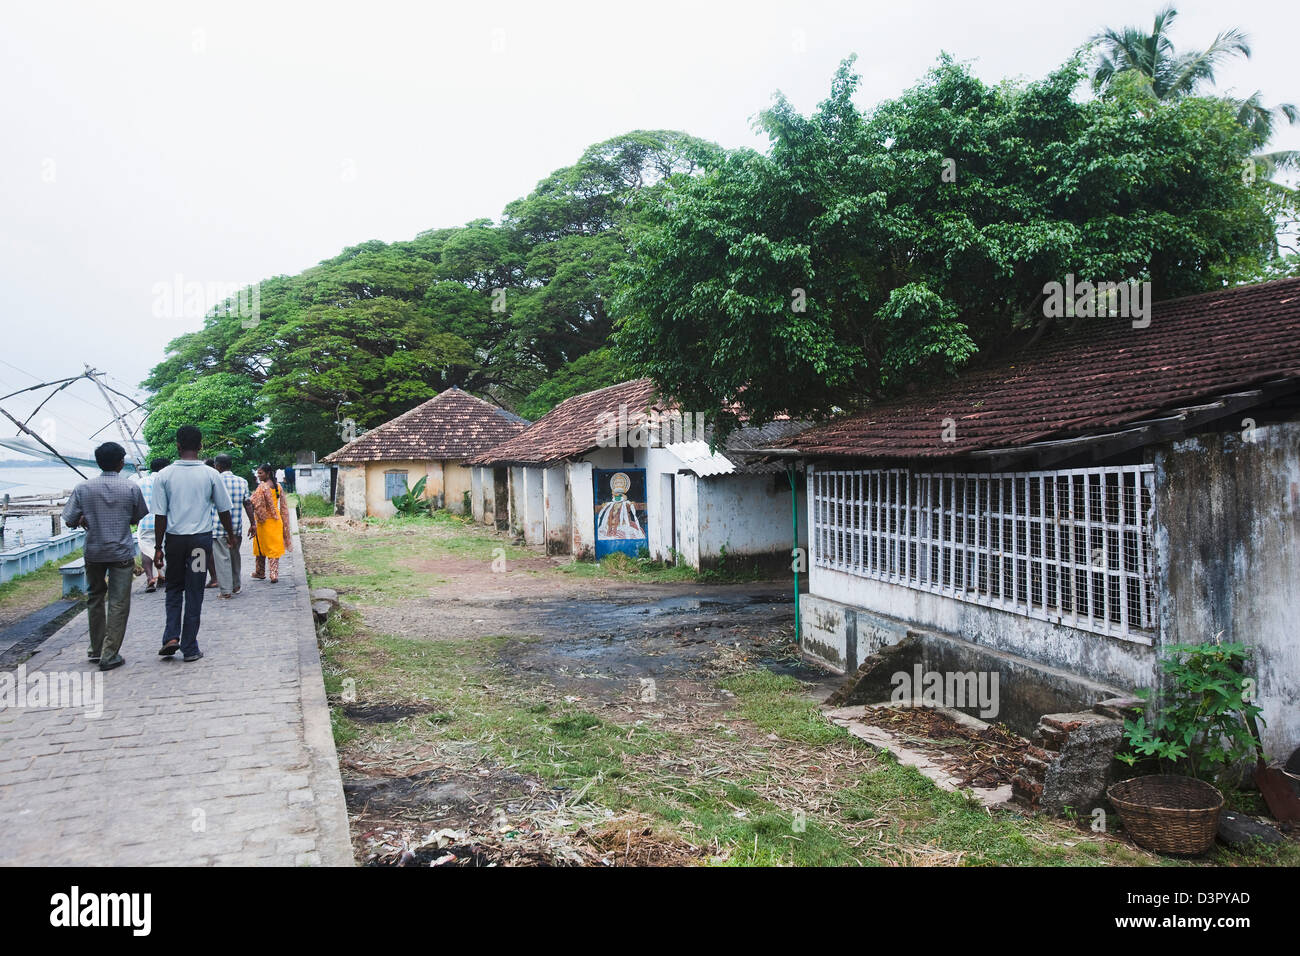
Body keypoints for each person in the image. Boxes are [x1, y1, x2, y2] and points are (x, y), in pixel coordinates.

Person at [152, 426, 237, 663]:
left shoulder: (164, 475)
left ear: (177, 445)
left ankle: (170, 637)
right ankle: (189, 646)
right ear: (200, 446)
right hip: (200, 542)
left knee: (173, 588)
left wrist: (158, 548)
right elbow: (224, 509)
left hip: (175, 542)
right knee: (195, 591)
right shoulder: (211, 475)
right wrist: (230, 534)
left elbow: (160, 515)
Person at [61, 441, 148, 671]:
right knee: (119, 603)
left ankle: (96, 648)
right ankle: (110, 654)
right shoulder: (131, 488)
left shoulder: (83, 488)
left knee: (95, 598)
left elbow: (69, 519)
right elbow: (136, 517)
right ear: (121, 463)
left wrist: (84, 518)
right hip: (120, 551)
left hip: (94, 551)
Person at [211, 454, 254, 599]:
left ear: (217, 466)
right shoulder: (242, 482)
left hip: (217, 527)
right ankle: (236, 585)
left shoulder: (214, 481)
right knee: (235, 555)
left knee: (222, 558)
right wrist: (253, 523)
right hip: (236, 527)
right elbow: (247, 504)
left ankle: (225, 590)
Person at [249, 463, 292, 583]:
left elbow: (254, 502)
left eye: (260, 473)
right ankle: (273, 574)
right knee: (273, 548)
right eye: (258, 473)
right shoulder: (278, 486)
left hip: (264, 522)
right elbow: (283, 505)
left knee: (260, 546)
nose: (258, 475)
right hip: (276, 521)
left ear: (267, 473)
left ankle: (260, 572)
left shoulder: (262, 487)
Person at [135, 456, 170, 592]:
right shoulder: (167, 481)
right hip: (165, 522)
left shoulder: (140, 482)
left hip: (144, 522)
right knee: (163, 549)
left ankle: (150, 578)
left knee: (145, 550)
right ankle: (162, 576)